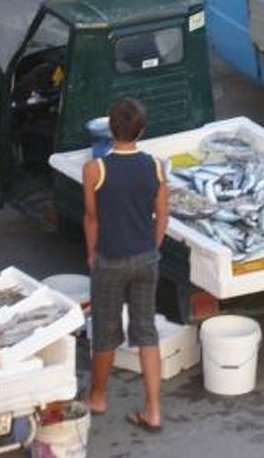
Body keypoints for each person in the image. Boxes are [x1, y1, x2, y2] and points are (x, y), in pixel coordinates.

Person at [82, 98, 168, 432]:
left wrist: (92, 253)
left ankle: (98, 397)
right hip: (146, 257)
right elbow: (163, 214)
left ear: (110, 131)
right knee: (146, 331)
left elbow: (92, 218)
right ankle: (154, 409)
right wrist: (152, 245)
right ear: (141, 131)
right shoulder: (156, 166)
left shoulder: (96, 169)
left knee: (105, 333)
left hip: (110, 259)